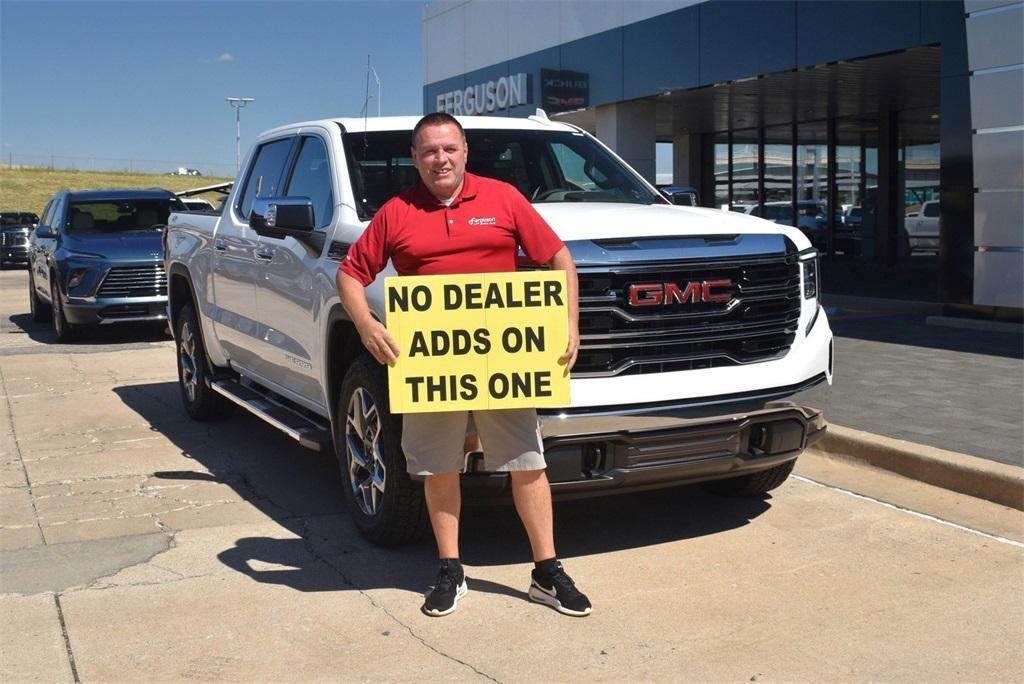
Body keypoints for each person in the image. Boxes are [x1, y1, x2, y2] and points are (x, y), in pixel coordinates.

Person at [337, 112, 591, 618]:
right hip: (431, 369)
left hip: (505, 362)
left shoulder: (503, 198)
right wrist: (368, 326)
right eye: (429, 151)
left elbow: (559, 259)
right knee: (439, 467)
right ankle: (451, 569)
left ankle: (547, 571)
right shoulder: (396, 212)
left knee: (528, 464)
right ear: (415, 157)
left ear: (465, 150)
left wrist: (569, 324)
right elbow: (350, 274)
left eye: (449, 148)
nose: (440, 159)